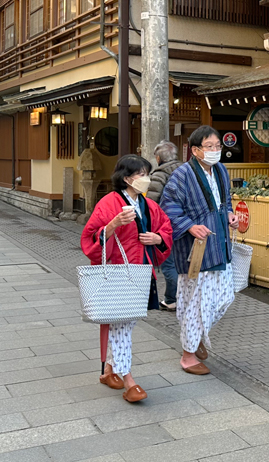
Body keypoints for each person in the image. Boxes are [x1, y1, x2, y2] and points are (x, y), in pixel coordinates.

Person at [80, 154, 173, 403]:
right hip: (119, 273)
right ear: (126, 178)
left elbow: (165, 227)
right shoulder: (108, 204)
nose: (146, 179)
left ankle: (110, 368)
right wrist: (112, 225)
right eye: (142, 174)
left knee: (125, 323)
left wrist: (158, 239)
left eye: (147, 173)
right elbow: (90, 239)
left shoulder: (147, 204)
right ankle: (129, 380)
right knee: (123, 325)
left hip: (141, 271)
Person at [161, 126, 237, 376]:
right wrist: (190, 226)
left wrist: (229, 215)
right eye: (210, 147)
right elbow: (168, 208)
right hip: (196, 248)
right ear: (195, 150)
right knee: (197, 304)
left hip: (220, 244)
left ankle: (197, 337)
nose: (215, 151)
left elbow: (224, 203)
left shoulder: (222, 170)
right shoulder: (182, 175)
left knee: (225, 297)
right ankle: (188, 355)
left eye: (218, 146)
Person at [148, 140, 183, 311]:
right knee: (184, 262)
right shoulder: (188, 171)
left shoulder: (159, 175)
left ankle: (173, 299)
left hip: (167, 226)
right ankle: (179, 298)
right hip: (188, 225)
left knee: (169, 263)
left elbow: (151, 202)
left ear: (158, 157)